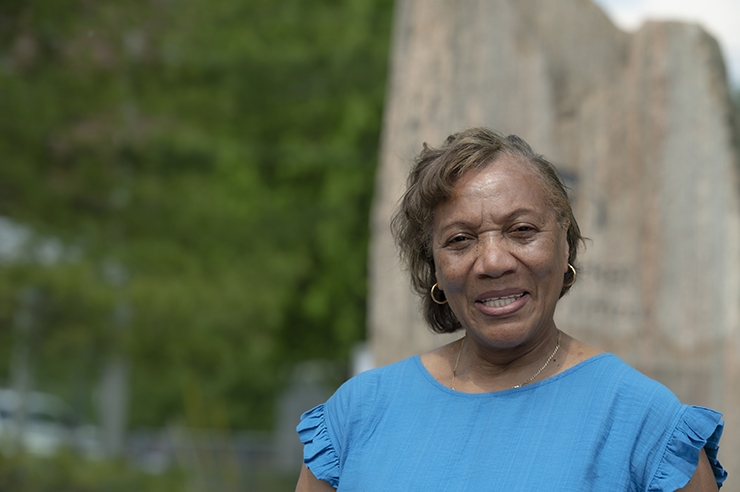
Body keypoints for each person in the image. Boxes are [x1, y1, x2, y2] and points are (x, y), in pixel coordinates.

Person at [294, 128, 727, 491]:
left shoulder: (642, 422)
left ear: (564, 247)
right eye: (460, 239)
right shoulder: (358, 414)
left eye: (521, 230)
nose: (494, 261)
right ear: (436, 272)